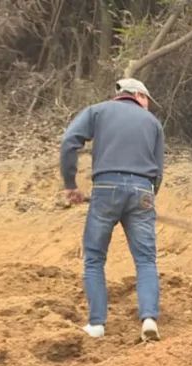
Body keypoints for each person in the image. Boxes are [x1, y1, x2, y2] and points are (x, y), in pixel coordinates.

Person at [60, 78, 164, 342]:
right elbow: (158, 171)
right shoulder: (152, 123)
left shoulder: (97, 111)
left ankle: (96, 324)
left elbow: (70, 141)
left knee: (94, 258)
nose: (149, 106)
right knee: (146, 260)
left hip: (105, 187)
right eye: (148, 101)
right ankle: (149, 319)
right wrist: (149, 200)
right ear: (139, 95)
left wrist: (70, 184)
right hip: (143, 191)